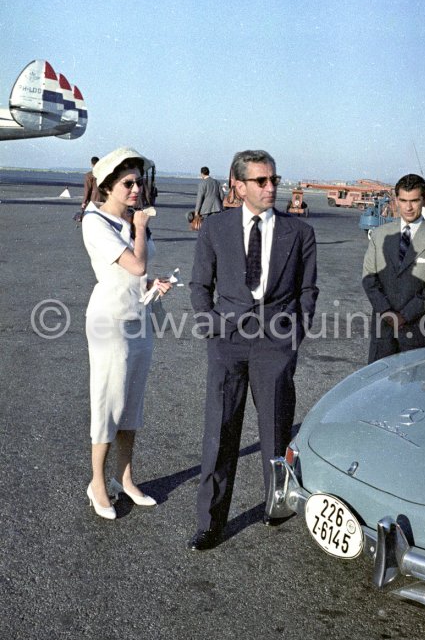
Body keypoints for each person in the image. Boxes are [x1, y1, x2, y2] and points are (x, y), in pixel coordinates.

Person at [188, 149, 318, 550]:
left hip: (275, 345)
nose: (270, 187)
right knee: (220, 432)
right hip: (227, 343)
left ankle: (276, 504)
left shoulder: (299, 233)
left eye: (273, 179)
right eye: (261, 181)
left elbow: (307, 290)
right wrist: (209, 324)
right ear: (238, 186)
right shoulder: (216, 228)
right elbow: (199, 285)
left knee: (275, 431)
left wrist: (292, 336)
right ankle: (211, 522)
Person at [81, 147, 173, 519]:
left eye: (139, 181)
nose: (136, 189)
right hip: (109, 322)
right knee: (108, 402)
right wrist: (139, 228)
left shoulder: (129, 220)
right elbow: (134, 264)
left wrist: (154, 283)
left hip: (138, 316)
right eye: (128, 182)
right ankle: (97, 483)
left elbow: (136, 274)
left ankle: (125, 478)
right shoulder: (95, 221)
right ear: (108, 186)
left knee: (131, 401)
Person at [362, 173, 425, 364]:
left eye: (414, 201)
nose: (408, 207)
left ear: (424, 200)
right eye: (403, 200)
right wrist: (387, 312)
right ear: (396, 200)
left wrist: (404, 316)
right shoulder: (379, 236)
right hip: (383, 331)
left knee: (414, 386)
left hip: (417, 331)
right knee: (379, 387)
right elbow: (369, 279)